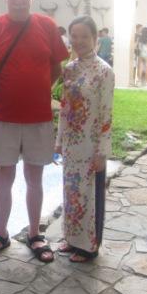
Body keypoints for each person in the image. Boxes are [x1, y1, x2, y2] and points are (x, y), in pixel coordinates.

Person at [0, 0, 68, 263]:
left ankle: (34, 234)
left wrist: (38, 90)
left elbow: (56, 68)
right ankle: (1, 233)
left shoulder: (47, 26)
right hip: (4, 117)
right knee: (4, 178)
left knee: (34, 178)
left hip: (38, 117)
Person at [55, 15, 115, 262]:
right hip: (71, 143)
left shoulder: (104, 71)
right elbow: (65, 107)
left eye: (84, 36)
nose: (78, 41)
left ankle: (89, 247)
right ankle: (71, 240)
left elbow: (106, 114)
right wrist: (59, 140)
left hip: (91, 146)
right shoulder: (70, 68)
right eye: (74, 36)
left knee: (88, 195)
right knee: (71, 193)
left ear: (95, 38)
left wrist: (102, 152)